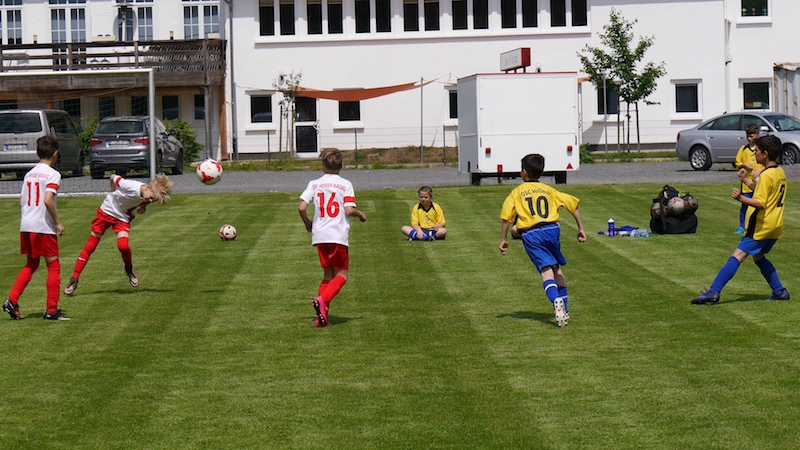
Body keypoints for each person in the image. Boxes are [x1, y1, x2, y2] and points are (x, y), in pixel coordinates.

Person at [692, 134, 789, 304]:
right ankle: (779, 291)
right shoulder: (779, 172)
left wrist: (741, 198)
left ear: (765, 154)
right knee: (758, 257)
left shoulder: (766, 175)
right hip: (775, 225)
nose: (755, 154)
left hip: (760, 226)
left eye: (757, 151)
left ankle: (714, 292)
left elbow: (760, 202)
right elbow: (764, 191)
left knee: (737, 255)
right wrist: (746, 181)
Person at [499, 153, 587, 327]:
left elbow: (506, 217)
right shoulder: (549, 190)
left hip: (531, 234)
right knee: (557, 269)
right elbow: (572, 205)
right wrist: (581, 228)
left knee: (546, 271)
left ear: (524, 172)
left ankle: (556, 301)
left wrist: (503, 239)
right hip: (552, 230)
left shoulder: (516, 192)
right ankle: (565, 309)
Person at [63, 173, 173, 295]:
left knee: (123, 246)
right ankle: (74, 279)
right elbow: (113, 177)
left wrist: (144, 207)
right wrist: (113, 191)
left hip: (121, 217)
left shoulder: (147, 194)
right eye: (151, 198)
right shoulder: (129, 185)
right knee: (91, 246)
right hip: (105, 212)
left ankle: (129, 269)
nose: (151, 201)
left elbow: (144, 200)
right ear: (147, 187)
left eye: (153, 200)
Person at [299, 148, 367, 327]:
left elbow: (301, 207)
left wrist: (307, 222)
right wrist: (360, 214)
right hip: (337, 235)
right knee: (342, 275)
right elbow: (349, 210)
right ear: (342, 165)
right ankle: (322, 300)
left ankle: (321, 318)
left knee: (328, 275)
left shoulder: (314, 183)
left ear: (323, 166)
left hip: (320, 235)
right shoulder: (345, 184)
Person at [3, 136, 69, 321]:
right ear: (55, 154)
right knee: (53, 266)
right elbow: (48, 200)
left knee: (31, 264)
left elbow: (21, 201)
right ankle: (52, 310)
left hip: (26, 225)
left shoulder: (29, 174)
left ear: (36, 153)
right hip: (42, 227)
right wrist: (57, 223)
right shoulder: (53, 174)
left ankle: (12, 300)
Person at [733, 123, 764, 234]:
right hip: (746, 185)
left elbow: (767, 164)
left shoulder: (761, 149)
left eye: (751, 136)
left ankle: (757, 225)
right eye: (747, 136)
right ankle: (742, 226)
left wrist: (760, 170)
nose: (749, 139)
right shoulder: (744, 149)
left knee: (758, 205)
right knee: (745, 205)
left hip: (759, 183)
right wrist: (744, 165)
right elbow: (737, 163)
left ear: (758, 135)